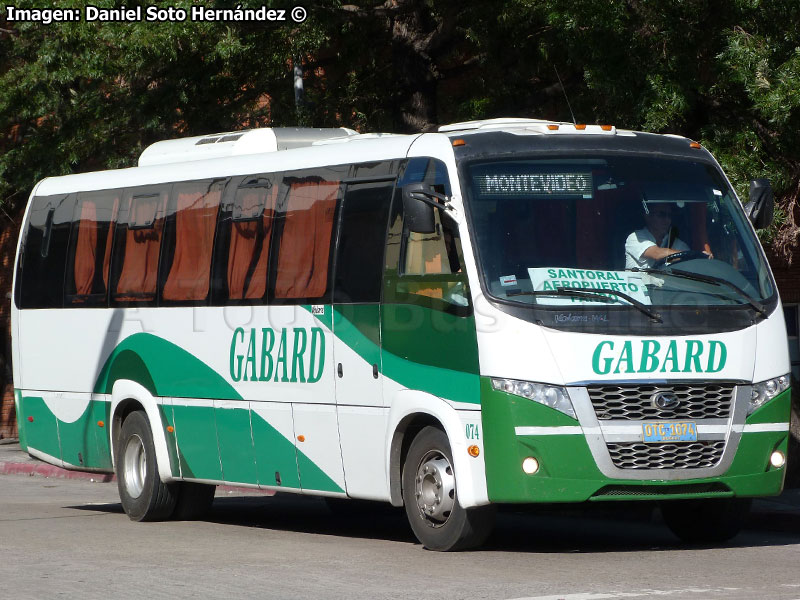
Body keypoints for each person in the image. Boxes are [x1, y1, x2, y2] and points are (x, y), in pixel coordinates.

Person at [625, 202, 691, 269]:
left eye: (669, 216)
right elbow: (657, 254)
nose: (667, 220)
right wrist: (690, 255)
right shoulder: (635, 238)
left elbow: (690, 262)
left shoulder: (679, 245)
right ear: (648, 216)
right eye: (661, 215)